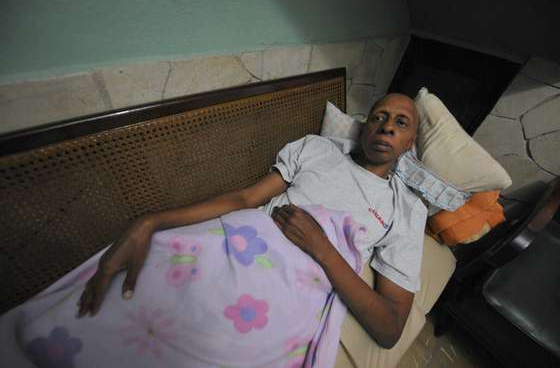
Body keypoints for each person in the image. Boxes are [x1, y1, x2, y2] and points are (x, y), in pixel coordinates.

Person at [77, 93, 427, 349]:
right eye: (379, 117)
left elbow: (389, 328)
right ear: (365, 126)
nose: (386, 128)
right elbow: (244, 199)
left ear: (410, 143)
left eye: (401, 122)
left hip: (284, 289)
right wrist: (151, 221)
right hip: (240, 243)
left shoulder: (406, 210)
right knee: (115, 305)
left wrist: (322, 248)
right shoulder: (318, 149)